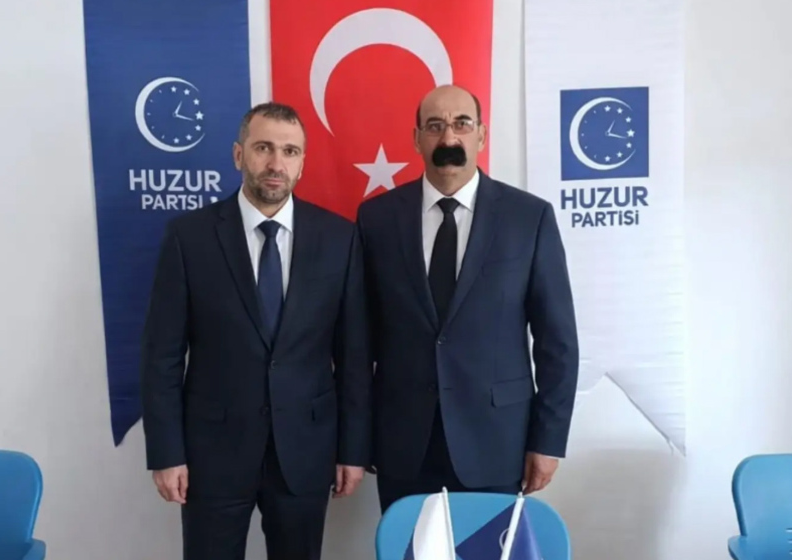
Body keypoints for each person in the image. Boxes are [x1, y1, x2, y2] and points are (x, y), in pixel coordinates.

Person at [140, 102, 372, 560]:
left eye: (290, 151)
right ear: (238, 154)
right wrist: (166, 453)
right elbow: (161, 356)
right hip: (213, 454)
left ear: (302, 163)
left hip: (304, 452)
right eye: (264, 148)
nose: (276, 163)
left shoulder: (339, 239)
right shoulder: (189, 238)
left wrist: (353, 449)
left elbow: (354, 357)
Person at [355, 85, 579, 513]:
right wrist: (357, 438)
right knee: (409, 547)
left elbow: (558, 342)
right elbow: (359, 341)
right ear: (416, 138)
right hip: (403, 444)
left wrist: (549, 440)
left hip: (497, 443)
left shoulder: (529, 218)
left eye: (461, 124)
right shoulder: (377, 218)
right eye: (435, 126)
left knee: (487, 546)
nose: (449, 138)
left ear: (482, 135)